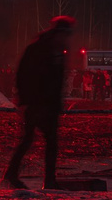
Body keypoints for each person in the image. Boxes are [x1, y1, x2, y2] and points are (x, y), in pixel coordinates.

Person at [4, 16, 74, 190]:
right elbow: (24, 75)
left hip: (47, 104)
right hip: (36, 103)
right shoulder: (40, 50)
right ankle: (41, 179)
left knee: (40, 141)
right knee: (35, 141)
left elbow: (55, 81)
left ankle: (18, 175)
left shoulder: (55, 51)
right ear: (59, 33)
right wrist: (25, 100)